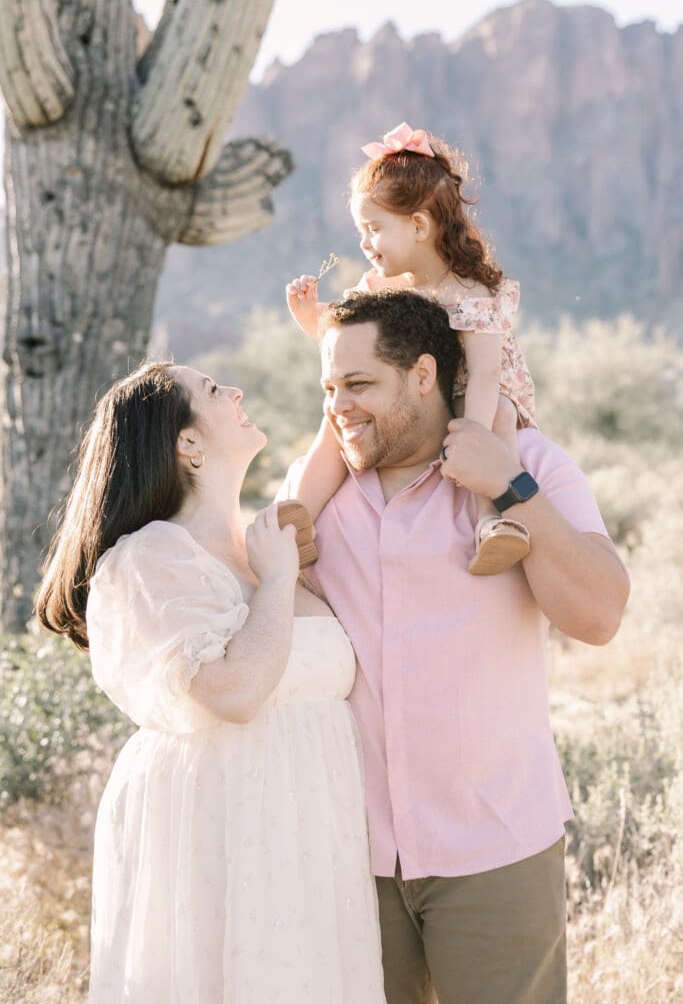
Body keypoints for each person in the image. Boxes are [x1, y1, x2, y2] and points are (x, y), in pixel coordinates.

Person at [281, 289, 630, 1004]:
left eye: (358, 384)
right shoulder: (315, 497)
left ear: (422, 375)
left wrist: (508, 487)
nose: (337, 405)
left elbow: (598, 614)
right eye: (327, 387)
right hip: (353, 864)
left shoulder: (528, 462)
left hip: (494, 850)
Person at [35, 360, 386, 1003]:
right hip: (218, 831)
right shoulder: (151, 557)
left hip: (309, 833)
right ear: (187, 444)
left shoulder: (263, 544)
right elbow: (236, 692)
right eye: (214, 391)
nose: (237, 392)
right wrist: (279, 582)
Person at [287, 121, 535, 575]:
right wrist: (313, 320)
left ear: (419, 225)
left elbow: (483, 374)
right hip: (410, 394)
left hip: (471, 392)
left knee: (497, 413)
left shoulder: (470, 293)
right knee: (336, 419)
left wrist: (470, 436)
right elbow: (354, 352)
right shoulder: (379, 286)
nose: (364, 243)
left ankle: (492, 521)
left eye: (374, 228)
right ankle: (298, 518)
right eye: (361, 229)